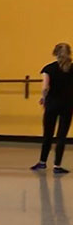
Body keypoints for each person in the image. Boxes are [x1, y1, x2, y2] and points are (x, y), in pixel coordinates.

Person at [32, 43, 73, 175]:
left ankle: (43, 162)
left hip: (52, 104)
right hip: (68, 105)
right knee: (61, 135)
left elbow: (45, 87)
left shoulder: (48, 68)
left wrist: (43, 98)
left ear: (55, 53)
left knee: (48, 134)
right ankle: (57, 165)